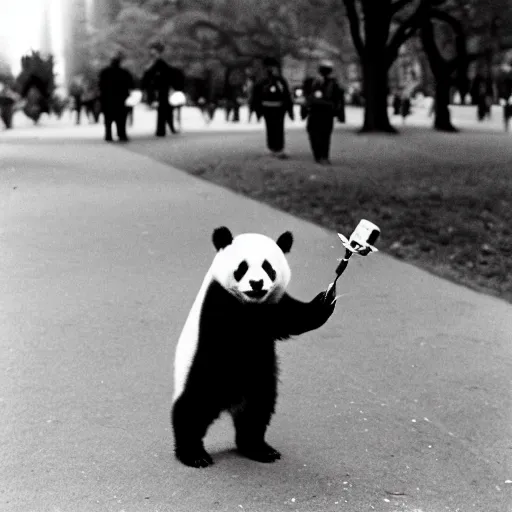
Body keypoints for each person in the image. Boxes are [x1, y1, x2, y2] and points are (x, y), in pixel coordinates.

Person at [302, 60, 344, 165]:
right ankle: (320, 155)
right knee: (316, 135)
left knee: (324, 135)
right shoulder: (312, 82)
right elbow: (307, 97)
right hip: (316, 112)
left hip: (325, 113)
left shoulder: (333, 84)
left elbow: (338, 100)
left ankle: (323, 156)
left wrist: (339, 113)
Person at [251, 57, 294, 159]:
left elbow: (286, 95)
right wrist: (257, 109)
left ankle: (279, 147)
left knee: (279, 127)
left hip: (279, 108)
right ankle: (272, 147)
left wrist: (289, 109)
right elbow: (256, 96)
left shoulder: (280, 81)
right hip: (267, 108)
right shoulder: (262, 82)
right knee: (270, 127)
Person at [142, 42, 183, 137]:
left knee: (165, 109)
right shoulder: (157, 64)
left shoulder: (160, 64)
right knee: (165, 110)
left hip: (162, 89)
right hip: (161, 89)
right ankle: (166, 128)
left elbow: (151, 75)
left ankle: (163, 129)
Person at [98, 52, 134, 142]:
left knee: (108, 119)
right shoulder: (124, 72)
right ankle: (122, 134)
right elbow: (131, 84)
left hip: (107, 99)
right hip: (121, 99)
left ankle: (108, 135)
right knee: (121, 118)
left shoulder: (104, 72)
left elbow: (100, 85)